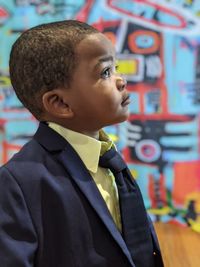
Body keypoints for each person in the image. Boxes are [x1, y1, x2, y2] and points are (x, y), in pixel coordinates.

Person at [0, 20, 164, 267]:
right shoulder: (18, 184)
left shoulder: (109, 159)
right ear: (60, 104)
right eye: (105, 72)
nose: (122, 81)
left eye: (116, 68)